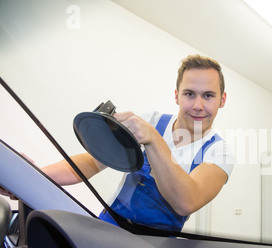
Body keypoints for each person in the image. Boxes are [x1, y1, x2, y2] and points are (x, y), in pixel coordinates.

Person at [2, 54, 234, 232]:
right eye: (189, 94)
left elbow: (186, 201)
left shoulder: (219, 152)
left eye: (208, 96)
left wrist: (153, 140)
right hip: (107, 226)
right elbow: (91, 163)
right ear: (176, 95)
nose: (198, 105)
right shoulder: (153, 120)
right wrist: (33, 175)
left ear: (222, 100)